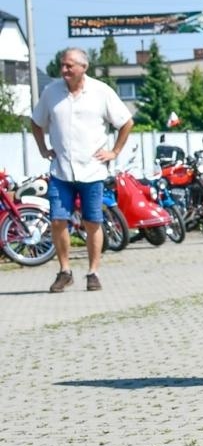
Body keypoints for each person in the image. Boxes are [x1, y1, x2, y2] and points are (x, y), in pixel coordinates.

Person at [29, 47, 133, 292]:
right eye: (62, 65)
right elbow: (35, 122)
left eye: (69, 66)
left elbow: (126, 122)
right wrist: (43, 149)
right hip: (61, 171)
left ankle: (93, 272)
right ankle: (65, 271)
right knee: (57, 220)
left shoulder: (101, 92)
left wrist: (114, 152)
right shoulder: (50, 92)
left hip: (92, 171)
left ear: (83, 68)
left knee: (92, 222)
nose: (64, 70)